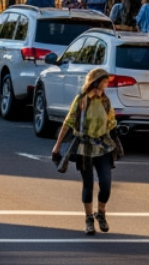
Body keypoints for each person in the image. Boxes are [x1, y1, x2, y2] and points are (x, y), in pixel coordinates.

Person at [50, 67, 120, 235]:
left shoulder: (105, 100)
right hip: (84, 147)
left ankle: (101, 213)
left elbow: (111, 122)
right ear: (96, 81)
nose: (106, 84)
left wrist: (115, 141)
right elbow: (69, 121)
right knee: (87, 184)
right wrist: (57, 145)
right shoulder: (81, 99)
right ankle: (89, 219)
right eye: (104, 81)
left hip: (102, 147)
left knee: (106, 184)